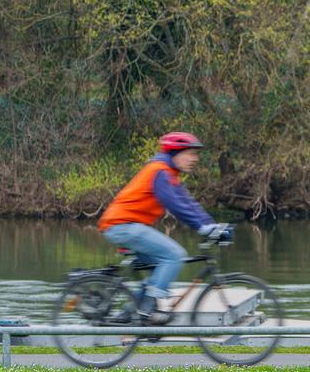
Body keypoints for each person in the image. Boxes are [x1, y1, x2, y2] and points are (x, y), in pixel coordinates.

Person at [97, 132, 231, 325]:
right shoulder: (160, 172)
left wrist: (211, 225)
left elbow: (189, 203)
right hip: (123, 225)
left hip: (127, 226)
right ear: (175, 153)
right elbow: (175, 205)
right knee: (174, 255)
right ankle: (149, 310)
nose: (195, 159)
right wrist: (203, 228)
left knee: (159, 269)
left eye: (196, 154)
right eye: (190, 153)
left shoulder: (169, 174)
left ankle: (128, 313)